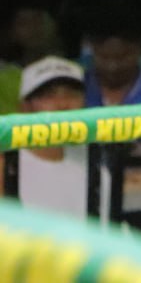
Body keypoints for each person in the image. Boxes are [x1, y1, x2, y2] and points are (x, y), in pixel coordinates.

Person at [0, 56, 103, 218]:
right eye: (49, 95)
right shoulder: (6, 165)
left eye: (72, 94)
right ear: (25, 107)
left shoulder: (97, 162)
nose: (62, 104)